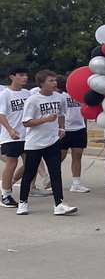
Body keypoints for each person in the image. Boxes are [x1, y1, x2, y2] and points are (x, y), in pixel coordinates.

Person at [15, 71, 75, 216]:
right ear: (41, 83)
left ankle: (59, 204)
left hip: (52, 141)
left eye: (55, 80)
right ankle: (22, 203)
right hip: (34, 143)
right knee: (29, 174)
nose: (55, 83)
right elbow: (26, 122)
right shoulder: (33, 100)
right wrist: (45, 120)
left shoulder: (59, 97)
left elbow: (61, 114)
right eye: (51, 81)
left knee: (55, 173)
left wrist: (62, 127)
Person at [0, 66, 30, 208]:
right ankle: (5, 194)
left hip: (28, 135)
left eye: (26, 75)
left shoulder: (28, 94)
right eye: (21, 75)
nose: (24, 77)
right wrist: (10, 129)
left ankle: (10, 182)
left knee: (30, 164)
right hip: (11, 136)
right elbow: (1, 114)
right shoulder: (5, 94)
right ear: (12, 77)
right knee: (11, 163)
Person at [56, 75, 89, 194]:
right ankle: (51, 178)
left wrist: (85, 126)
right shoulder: (61, 96)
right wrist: (61, 127)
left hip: (79, 128)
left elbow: (84, 111)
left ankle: (76, 183)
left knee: (77, 155)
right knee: (60, 156)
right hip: (65, 129)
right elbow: (60, 114)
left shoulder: (81, 95)